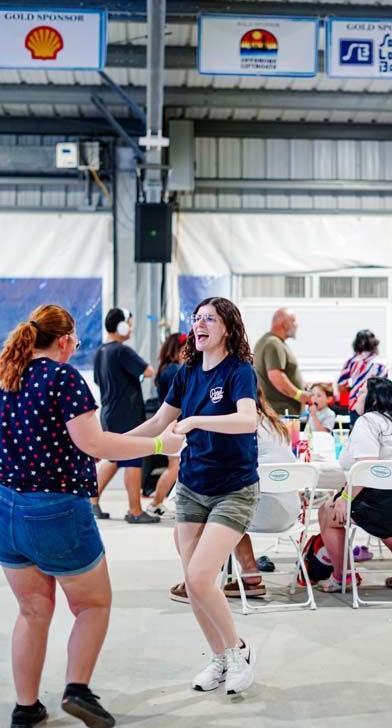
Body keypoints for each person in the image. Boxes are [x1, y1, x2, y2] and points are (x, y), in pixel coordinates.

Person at [0, 305, 181, 728]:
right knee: (92, 605)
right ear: (63, 341)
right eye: (75, 338)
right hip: (57, 509)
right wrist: (160, 446)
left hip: (7, 509)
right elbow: (95, 446)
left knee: (31, 611)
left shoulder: (8, 377)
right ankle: (77, 689)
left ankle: (26, 709)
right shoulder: (64, 379)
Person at [126, 297, 260, 695]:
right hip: (191, 488)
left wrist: (196, 420)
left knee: (201, 577)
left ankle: (238, 652)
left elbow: (247, 420)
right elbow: (157, 422)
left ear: (227, 328)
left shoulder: (239, 372)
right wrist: (109, 443)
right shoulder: (185, 373)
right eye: (196, 318)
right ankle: (219, 658)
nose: (199, 325)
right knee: (193, 580)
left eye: (209, 319)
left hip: (234, 489)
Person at [170, 385, 301, 602]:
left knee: (215, 511)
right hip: (289, 511)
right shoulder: (273, 423)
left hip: (260, 508)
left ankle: (195, 582)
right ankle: (250, 576)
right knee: (229, 507)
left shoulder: (238, 427)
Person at [317, 378, 392, 592]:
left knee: (328, 512)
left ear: (374, 399)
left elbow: (365, 467)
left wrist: (344, 499)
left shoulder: (369, 421)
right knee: (376, 503)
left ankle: (341, 577)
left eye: (363, 391)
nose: (357, 393)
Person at [92, 308, 159, 524]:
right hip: (126, 413)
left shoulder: (100, 351)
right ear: (119, 326)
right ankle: (135, 510)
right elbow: (149, 371)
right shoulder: (122, 351)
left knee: (114, 457)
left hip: (109, 412)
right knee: (133, 459)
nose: (130, 328)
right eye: (128, 323)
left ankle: (91, 500)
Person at [146, 332, 188, 518]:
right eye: (186, 348)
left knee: (176, 468)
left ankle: (158, 502)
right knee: (174, 468)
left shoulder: (167, 369)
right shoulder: (174, 371)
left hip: (171, 425)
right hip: (173, 426)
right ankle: (155, 503)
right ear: (178, 349)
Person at [254, 308, 312, 415]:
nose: (296, 325)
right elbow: (276, 376)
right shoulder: (273, 343)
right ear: (285, 324)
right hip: (280, 413)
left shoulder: (270, 342)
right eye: (294, 321)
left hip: (278, 413)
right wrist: (299, 395)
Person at [337, 329, 388, 427]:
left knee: (356, 435)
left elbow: (341, 386)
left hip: (355, 404)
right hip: (375, 406)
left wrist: (355, 388)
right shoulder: (380, 364)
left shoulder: (351, 362)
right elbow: (384, 388)